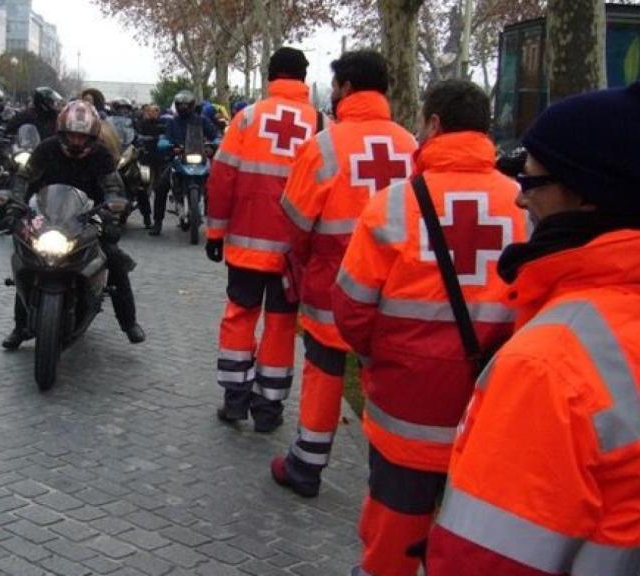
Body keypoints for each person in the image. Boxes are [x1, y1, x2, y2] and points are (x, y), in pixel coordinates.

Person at [426, 82, 640, 575]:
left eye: (531, 182)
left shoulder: (546, 366)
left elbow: (482, 561)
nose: (520, 202)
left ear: (586, 195)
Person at [329, 79, 528, 576]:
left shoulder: (393, 205)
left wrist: (379, 357)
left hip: (407, 403)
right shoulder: (526, 205)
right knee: (473, 533)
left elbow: (351, 308)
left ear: (434, 123)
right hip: (495, 403)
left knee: (395, 524)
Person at [270, 50, 417, 497]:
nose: (331, 96)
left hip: (333, 285)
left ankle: (306, 466)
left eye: (334, 87)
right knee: (385, 379)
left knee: (324, 370)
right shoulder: (413, 145)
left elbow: (295, 223)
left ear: (347, 88)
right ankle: (386, 474)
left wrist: (303, 262)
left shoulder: (325, 146)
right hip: (399, 290)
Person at [204, 47, 320, 432]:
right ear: (303, 78)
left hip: (246, 247)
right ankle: (269, 409)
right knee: (281, 326)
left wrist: (216, 232)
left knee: (239, 317)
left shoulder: (246, 119)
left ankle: (234, 400)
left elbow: (222, 179)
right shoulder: (321, 125)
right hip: (293, 254)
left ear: (271, 75)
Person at [0, 100, 146, 348]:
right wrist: (14, 205)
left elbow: (113, 187)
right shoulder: (46, 149)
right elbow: (24, 177)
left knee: (114, 258)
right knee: (27, 257)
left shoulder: (100, 154)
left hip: (87, 215)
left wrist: (112, 213)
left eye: (82, 136)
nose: (77, 141)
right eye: (72, 136)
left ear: (92, 136)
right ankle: (20, 326)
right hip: (47, 214)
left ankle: (128, 321)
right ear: (62, 133)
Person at [0, 87, 64, 235]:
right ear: (43, 102)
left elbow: (64, 134)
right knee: (10, 179)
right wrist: (3, 133)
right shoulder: (26, 115)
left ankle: (52, 223)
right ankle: (2, 220)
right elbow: (11, 126)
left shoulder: (57, 118)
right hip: (28, 154)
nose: (53, 104)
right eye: (51, 101)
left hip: (47, 158)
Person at [148, 90, 219, 236]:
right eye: (181, 105)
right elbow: (165, 137)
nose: (183, 108)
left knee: (217, 186)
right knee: (161, 186)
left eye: (186, 105)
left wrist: (213, 145)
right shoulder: (172, 122)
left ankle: (217, 225)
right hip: (179, 158)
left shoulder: (201, 120)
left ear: (192, 106)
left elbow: (215, 135)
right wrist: (167, 144)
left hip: (199, 157)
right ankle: (157, 222)